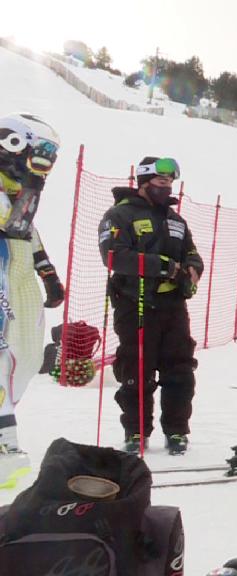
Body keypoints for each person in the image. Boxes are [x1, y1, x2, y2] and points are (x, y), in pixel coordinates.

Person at [98, 157, 203, 455]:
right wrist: (163, 266)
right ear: (143, 182)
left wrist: (193, 270)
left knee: (180, 368)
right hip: (136, 302)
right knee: (137, 367)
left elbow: (192, 254)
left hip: (173, 305)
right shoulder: (120, 214)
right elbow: (114, 257)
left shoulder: (176, 220)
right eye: (160, 182)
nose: (166, 187)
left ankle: (177, 431)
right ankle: (136, 431)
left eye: (170, 182)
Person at [0, 113, 64, 487]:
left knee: (29, 358)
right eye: (40, 158)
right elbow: (12, 224)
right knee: (3, 355)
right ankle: (6, 442)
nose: (44, 168)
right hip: (2, 266)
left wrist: (48, 273)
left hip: (20, 268)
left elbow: (29, 231)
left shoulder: (21, 190)